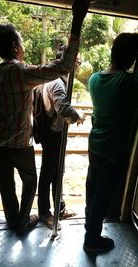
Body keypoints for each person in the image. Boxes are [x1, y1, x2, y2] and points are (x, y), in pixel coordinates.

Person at [0, 0, 90, 234]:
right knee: (30, 182)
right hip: (21, 144)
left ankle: (14, 220)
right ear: (16, 46)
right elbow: (64, 66)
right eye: (22, 43)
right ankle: (23, 221)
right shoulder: (22, 72)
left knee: (5, 185)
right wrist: (76, 21)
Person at [83, 32, 138, 253]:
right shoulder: (126, 81)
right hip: (113, 152)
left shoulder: (94, 79)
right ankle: (92, 240)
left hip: (95, 145)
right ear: (131, 58)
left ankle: (90, 227)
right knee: (103, 197)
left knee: (92, 189)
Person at [37, 48, 85, 230]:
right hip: (53, 136)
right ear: (69, 64)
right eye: (77, 63)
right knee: (49, 174)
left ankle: (59, 208)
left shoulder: (52, 79)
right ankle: (44, 213)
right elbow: (63, 110)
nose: (78, 67)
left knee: (56, 173)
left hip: (52, 134)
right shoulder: (57, 82)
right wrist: (78, 116)